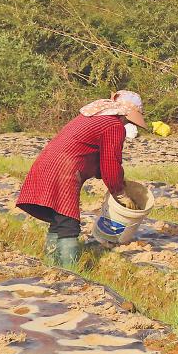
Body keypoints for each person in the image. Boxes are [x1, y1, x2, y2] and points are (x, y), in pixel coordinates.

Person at [16, 90, 147, 268]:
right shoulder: (113, 125)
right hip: (65, 169)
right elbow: (110, 163)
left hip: (48, 162)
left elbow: (98, 158)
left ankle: (52, 266)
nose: (126, 124)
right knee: (69, 222)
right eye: (128, 120)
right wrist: (119, 192)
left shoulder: (95, 116)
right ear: (125, 113)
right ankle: (69, 270)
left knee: (59, 218)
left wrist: (112, 180)